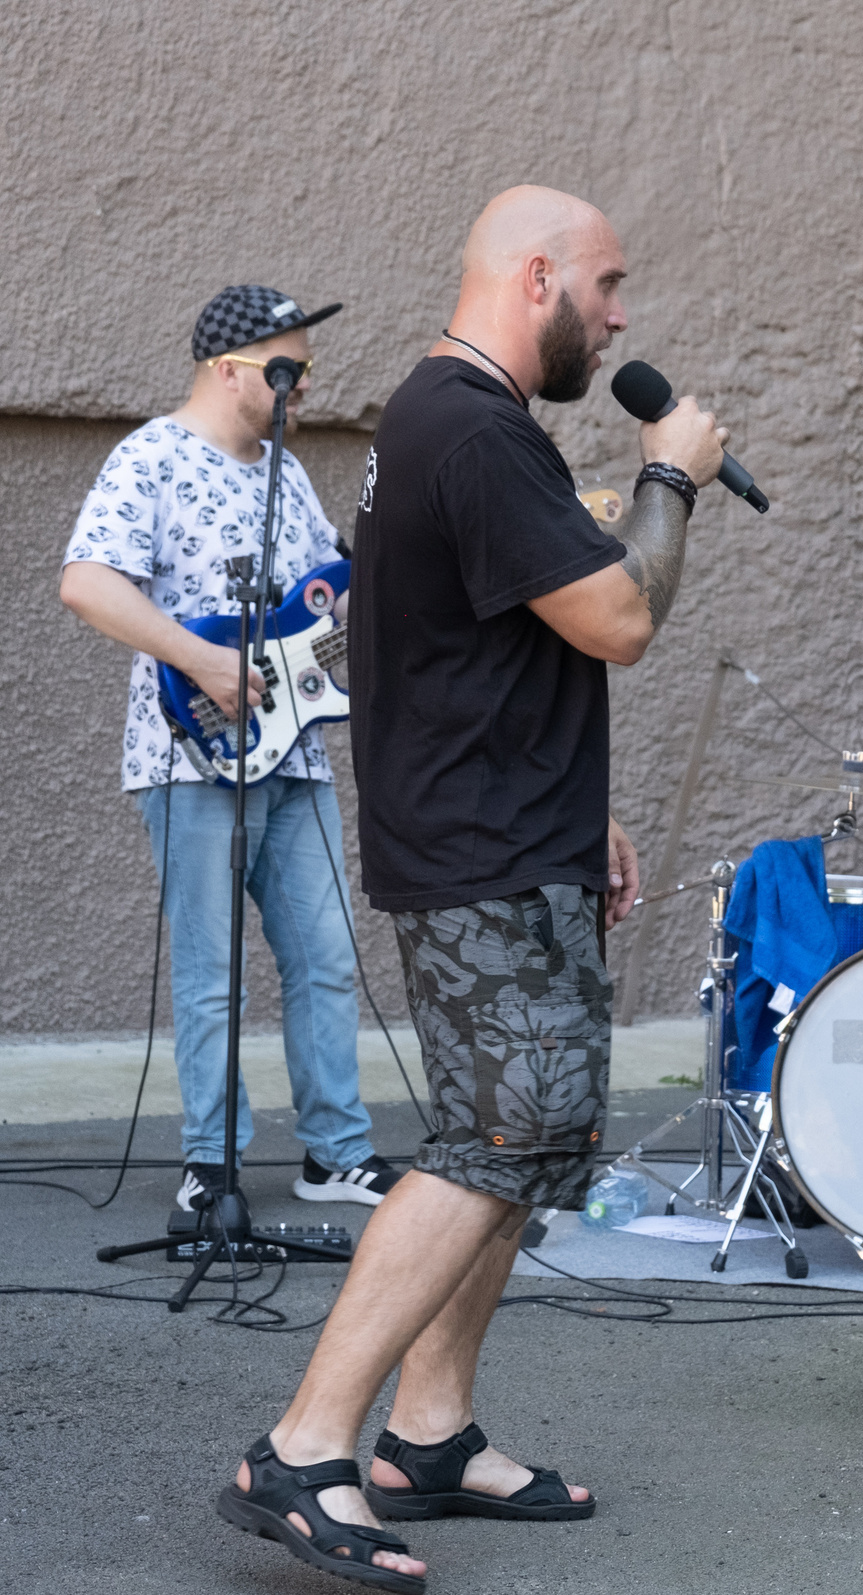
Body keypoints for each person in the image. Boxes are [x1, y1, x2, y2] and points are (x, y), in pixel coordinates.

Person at [214, 186, 727, 1591]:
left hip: (516, 835)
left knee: (527, 1138)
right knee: (505, 1132)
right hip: (479, 854)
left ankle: (426, 1435)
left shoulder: (455, 427)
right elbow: (620, 617)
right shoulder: (473, 426)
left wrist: (587, 804)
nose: (622, 318)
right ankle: (304, 1444)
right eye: (609, 287)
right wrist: (670, 474)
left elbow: (475, 647)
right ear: (538, 275)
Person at [60, 284, 402, 1212]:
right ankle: (209, 1165)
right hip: (189, 756)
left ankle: (336, 1151)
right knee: (211, 977)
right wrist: (203, 659)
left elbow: (321, 614)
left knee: (328, 957)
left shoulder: (287, 474)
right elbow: (87, 582)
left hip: (294, 756)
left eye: (305, 369)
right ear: (226, 370)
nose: (301, 387)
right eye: (284, 371)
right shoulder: (152, 458)